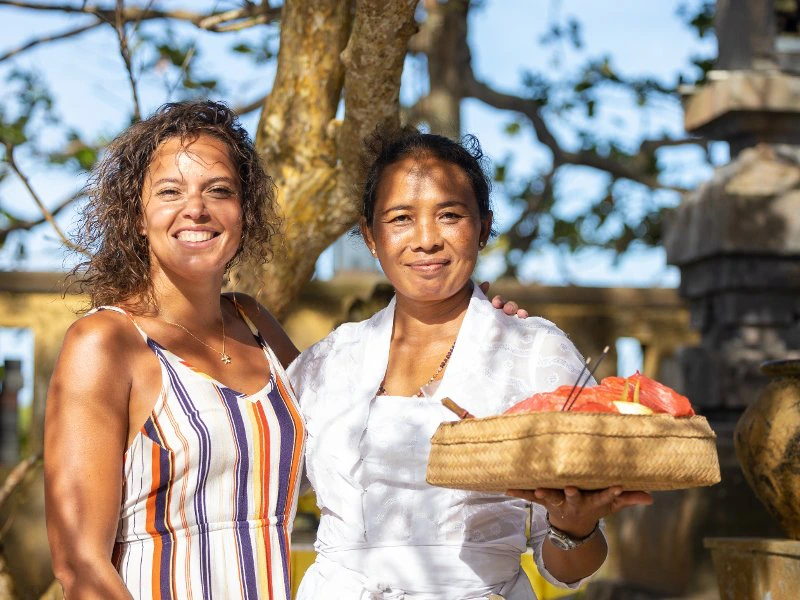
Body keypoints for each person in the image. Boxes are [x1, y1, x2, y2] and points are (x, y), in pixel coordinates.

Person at [288, 130, 653, 599]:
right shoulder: (327, 362)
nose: (425, 240)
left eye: (449, 216)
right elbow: (257, 494)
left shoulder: (534, 353)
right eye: (401, 218)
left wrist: (575, 527)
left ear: (483, 227)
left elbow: (569, 569)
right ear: (370, 237)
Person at [44, 100, 304, 599]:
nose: (196, 208)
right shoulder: (106, 342)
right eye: (170, 191)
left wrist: (472, 323)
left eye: (219, 191)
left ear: (243, 213)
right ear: (137, 217)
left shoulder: (257, 323)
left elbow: (355, 440)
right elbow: (79, 564)